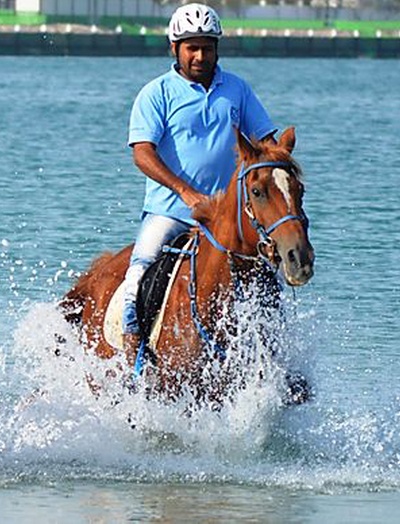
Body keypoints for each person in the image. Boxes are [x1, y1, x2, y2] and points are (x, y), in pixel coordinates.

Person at [121, 3, 277, 356]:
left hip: (229, 219)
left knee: (270, 277)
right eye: (192, 47)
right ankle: (134, 341)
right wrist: (188, 194)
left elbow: (265, 143)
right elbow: (142, 152)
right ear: (174, 48)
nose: (200, 55)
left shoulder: (237, 90)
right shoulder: (156, 93)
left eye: (207, 47)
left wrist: (277, 165)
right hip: (170, 210)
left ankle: (280, 360)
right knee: (141, 269)